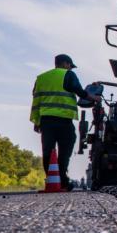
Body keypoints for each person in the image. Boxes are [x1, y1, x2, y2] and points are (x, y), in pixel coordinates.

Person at [30, 54, 99, 190]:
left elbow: (36, 101)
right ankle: (63, 182)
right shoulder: (68, 75)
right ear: (66, 64)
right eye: (70, 66)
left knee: (48, 151)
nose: (70, 68)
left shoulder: (41, 78)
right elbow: (78, 91)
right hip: (63, 120)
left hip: (46, 120)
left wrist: (36, 122)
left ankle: (52, 180)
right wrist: (93, 96)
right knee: (65, 151)